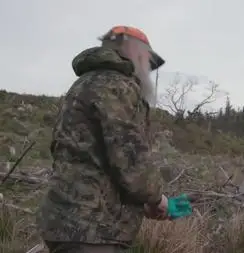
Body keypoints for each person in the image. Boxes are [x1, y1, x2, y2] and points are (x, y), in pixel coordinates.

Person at [36, 25, 169, 253]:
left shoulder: (82, 85)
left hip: (65, 221)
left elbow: (81, 155)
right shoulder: (116, 86)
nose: (147, 69)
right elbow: (129, 157)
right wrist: (156, 199)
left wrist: (138, 203)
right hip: (94, 230)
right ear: (132, 50)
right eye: (147, 60)